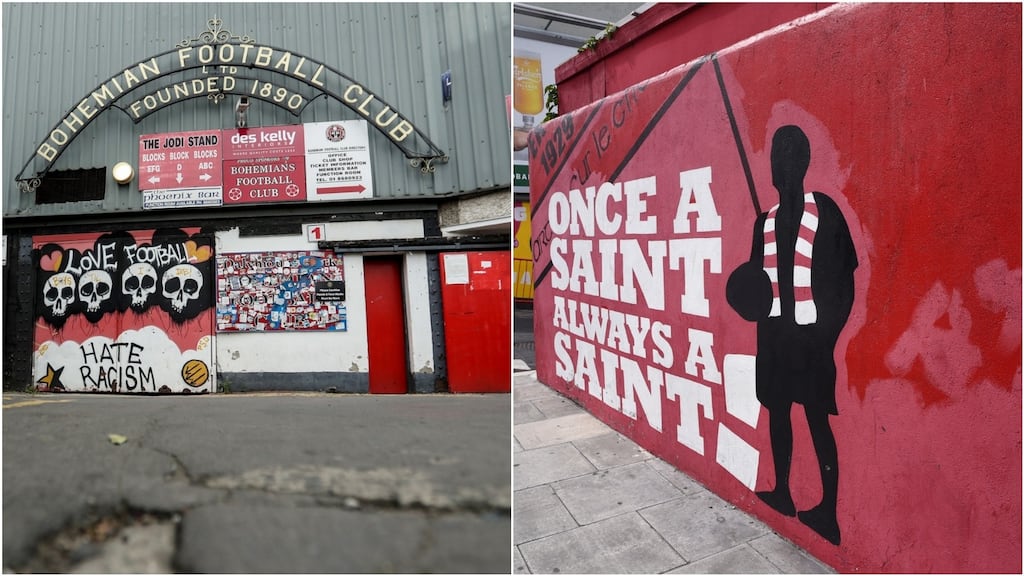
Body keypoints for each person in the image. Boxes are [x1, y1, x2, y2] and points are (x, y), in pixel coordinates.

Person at [726, 125, 857, 545]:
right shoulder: (762, 222)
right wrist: (742, 292)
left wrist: (828, 333)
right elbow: (754, 286)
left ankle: (828, 512)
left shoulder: (825, 211)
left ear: (801, 163)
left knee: (817, 419)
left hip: (813, 341)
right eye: (775, 158)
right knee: (778, 412)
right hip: (774, 340)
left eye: (785, 157)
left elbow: (846, 280)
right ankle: (782, 491)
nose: (778, 166)